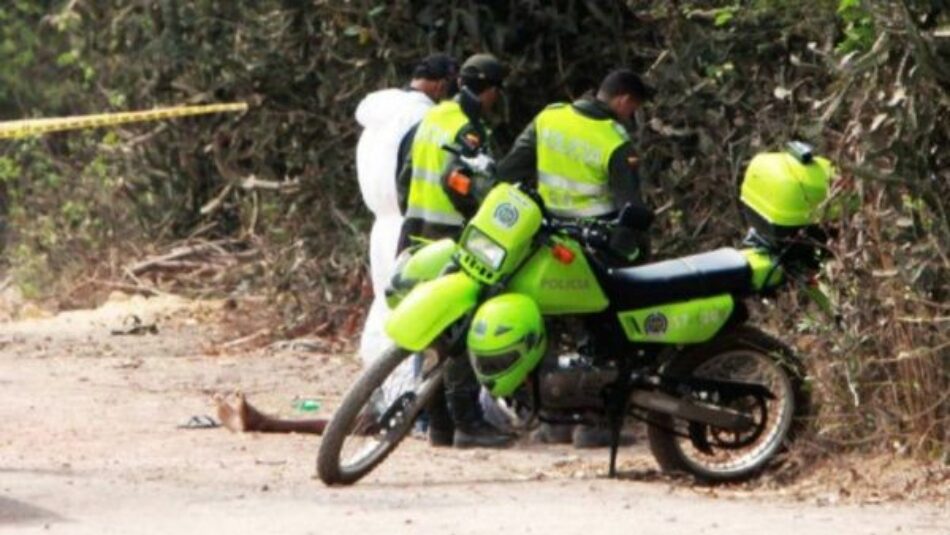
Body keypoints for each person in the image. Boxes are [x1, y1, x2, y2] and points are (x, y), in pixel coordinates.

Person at [211, 55, 459, 437]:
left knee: (386, 313)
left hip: (380, 226)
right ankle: (413, 409)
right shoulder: (423, 121)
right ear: (443, 85)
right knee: (419, 318)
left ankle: (365, 408)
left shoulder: (378, 119)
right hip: (412, 226)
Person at [496, 68, 656, 448]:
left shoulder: (549, 118)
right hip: (593, 245)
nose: (630, 116)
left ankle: (550, 420)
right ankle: (595, 423)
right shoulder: (614, 140)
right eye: (633, 109)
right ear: (624, 101)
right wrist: (631, 253)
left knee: (542, 327)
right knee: (604, 330)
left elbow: (509, 171)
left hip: (543, 240)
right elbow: (629, 207)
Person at [397, 53, 515, 449]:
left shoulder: (433, 117)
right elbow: (458, 181)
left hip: (419, 236)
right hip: (452, 239)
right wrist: (483, 221)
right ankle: (466, 421)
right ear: (490, 91)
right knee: (459, 335)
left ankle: (439, 424)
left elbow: (404, 176)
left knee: (432, 333)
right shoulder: (468, 128)